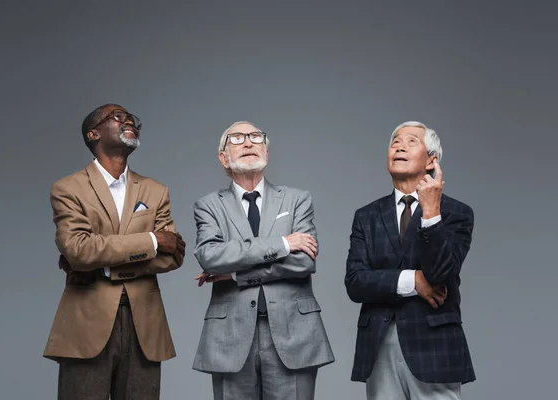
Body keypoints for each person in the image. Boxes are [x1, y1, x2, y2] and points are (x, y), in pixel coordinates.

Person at [43, 103, 186, 399]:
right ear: (93, 133)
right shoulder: (68, 188)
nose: (129, 121)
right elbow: (79, 250)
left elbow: (174, 254)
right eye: (118, 117)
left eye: (132, 119)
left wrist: (105, 264)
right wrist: (153, 241)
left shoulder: (155, 191)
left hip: (144, 327)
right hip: (86, 325)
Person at [192, 121, 334, 400]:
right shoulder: (208, 205)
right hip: (228, 336)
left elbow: (304, 262)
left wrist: (236, 276)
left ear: (266, 153)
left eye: (256, 137)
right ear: (224, 158)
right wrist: (283, 243)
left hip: (295, 333)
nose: (247, 143)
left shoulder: (297, 200)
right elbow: (211, 257)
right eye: (237, 138)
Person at [345, 121, 475, 399]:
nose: (400, 146)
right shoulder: (365, 216)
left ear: (432, 160)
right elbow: (356, 282)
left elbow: (441, 272)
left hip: (435, 348)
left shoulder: (457, 213)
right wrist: (414, 281)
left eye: (411, 141)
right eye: (395, 142)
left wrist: (431, 213)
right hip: (378, 347)